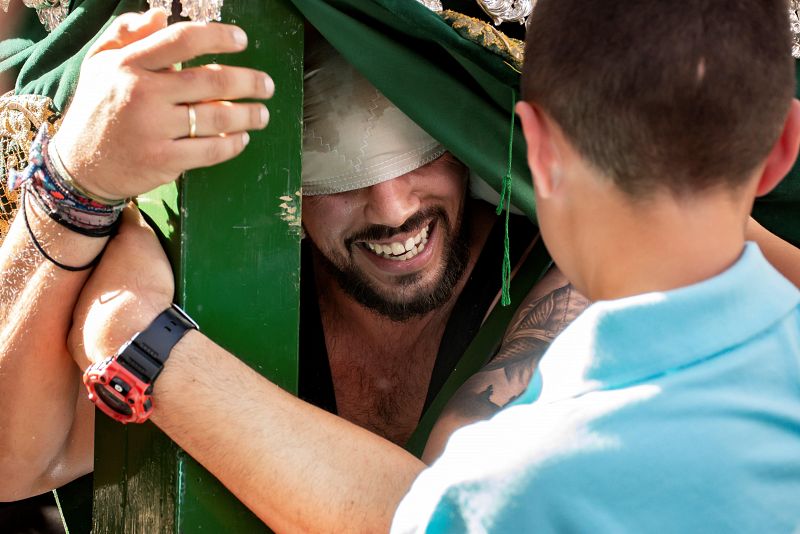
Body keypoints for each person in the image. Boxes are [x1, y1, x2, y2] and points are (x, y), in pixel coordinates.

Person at [3, 2, 800, 533]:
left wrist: (140, 341)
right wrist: (75, 186)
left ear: (487, 147)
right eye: (341, 179)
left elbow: (444, 507)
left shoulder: (576, 275)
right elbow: (17, 460)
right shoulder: (220, 262)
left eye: (419, 160)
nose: (391, 209)